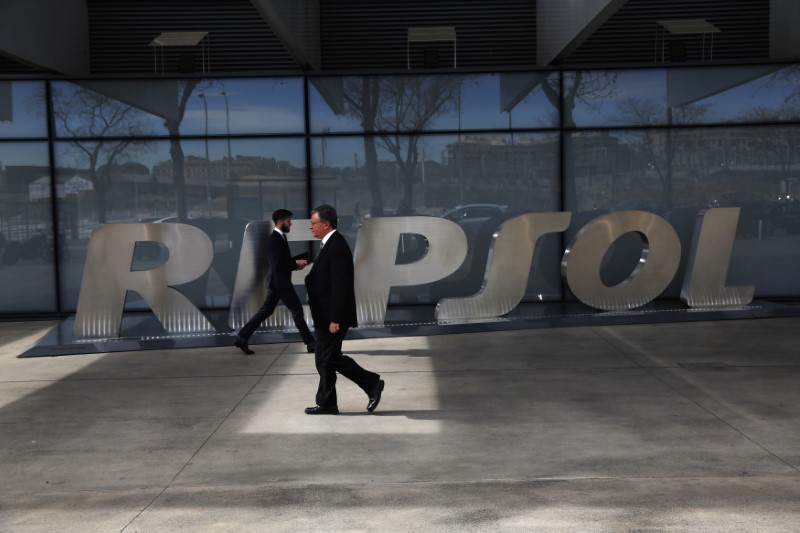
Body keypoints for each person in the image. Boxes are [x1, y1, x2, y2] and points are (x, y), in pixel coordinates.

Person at [303, 204, 384, 415]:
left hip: (333, 317)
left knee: (329, 357)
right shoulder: (327, 244)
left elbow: (342, 285)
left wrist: (335, 318)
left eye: (313, 223)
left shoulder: (337, 246)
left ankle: (372, 383)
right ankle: (327, 403)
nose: (311, 227)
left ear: (325, 224)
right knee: (323, 359)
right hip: (325, 315)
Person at [234, 209, 316, 355]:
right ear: (280, 221)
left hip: (278, 281)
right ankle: (311, 343)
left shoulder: (280, 237)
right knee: (296, 310)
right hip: (281, 282)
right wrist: (296, 264)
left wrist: (297, 262)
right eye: (288, 221)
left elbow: (281, 262)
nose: (290, 223)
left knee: (266, 310)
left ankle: (242, 337)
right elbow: (278, 265)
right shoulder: (275, 239)